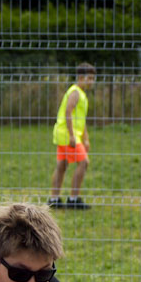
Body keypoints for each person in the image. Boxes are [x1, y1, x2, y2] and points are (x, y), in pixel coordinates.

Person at [49, 63, 96, 211]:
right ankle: (73, 199)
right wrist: (71, 135)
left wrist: (85, 137)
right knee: (83, 162)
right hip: (68, 134)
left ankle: (54, 199)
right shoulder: (75, 93)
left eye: (93, 78)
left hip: (64, 134)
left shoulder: (80, 93)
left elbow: (80, 119)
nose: (92, 81)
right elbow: (68, 112)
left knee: (62, 166)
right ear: (81, 78)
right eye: (89, 78)